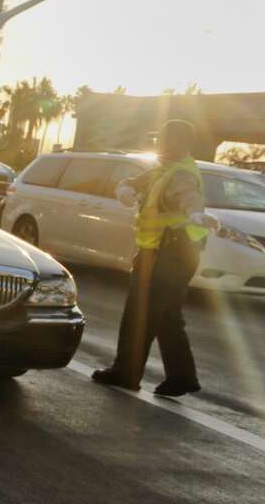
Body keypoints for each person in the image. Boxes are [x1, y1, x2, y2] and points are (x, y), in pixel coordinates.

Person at [91, 119, 217, 396]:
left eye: (163, 139)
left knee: (140, 313)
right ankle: (181, 378)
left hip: (169, 252)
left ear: (179, 143)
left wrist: (195, 213)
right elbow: (132, 182)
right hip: (168, 251)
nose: (158, 143)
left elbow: (189, 198)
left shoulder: (180, 174)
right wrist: (125, 189)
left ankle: (126, 373)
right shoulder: (164, 169)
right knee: (166, 316)